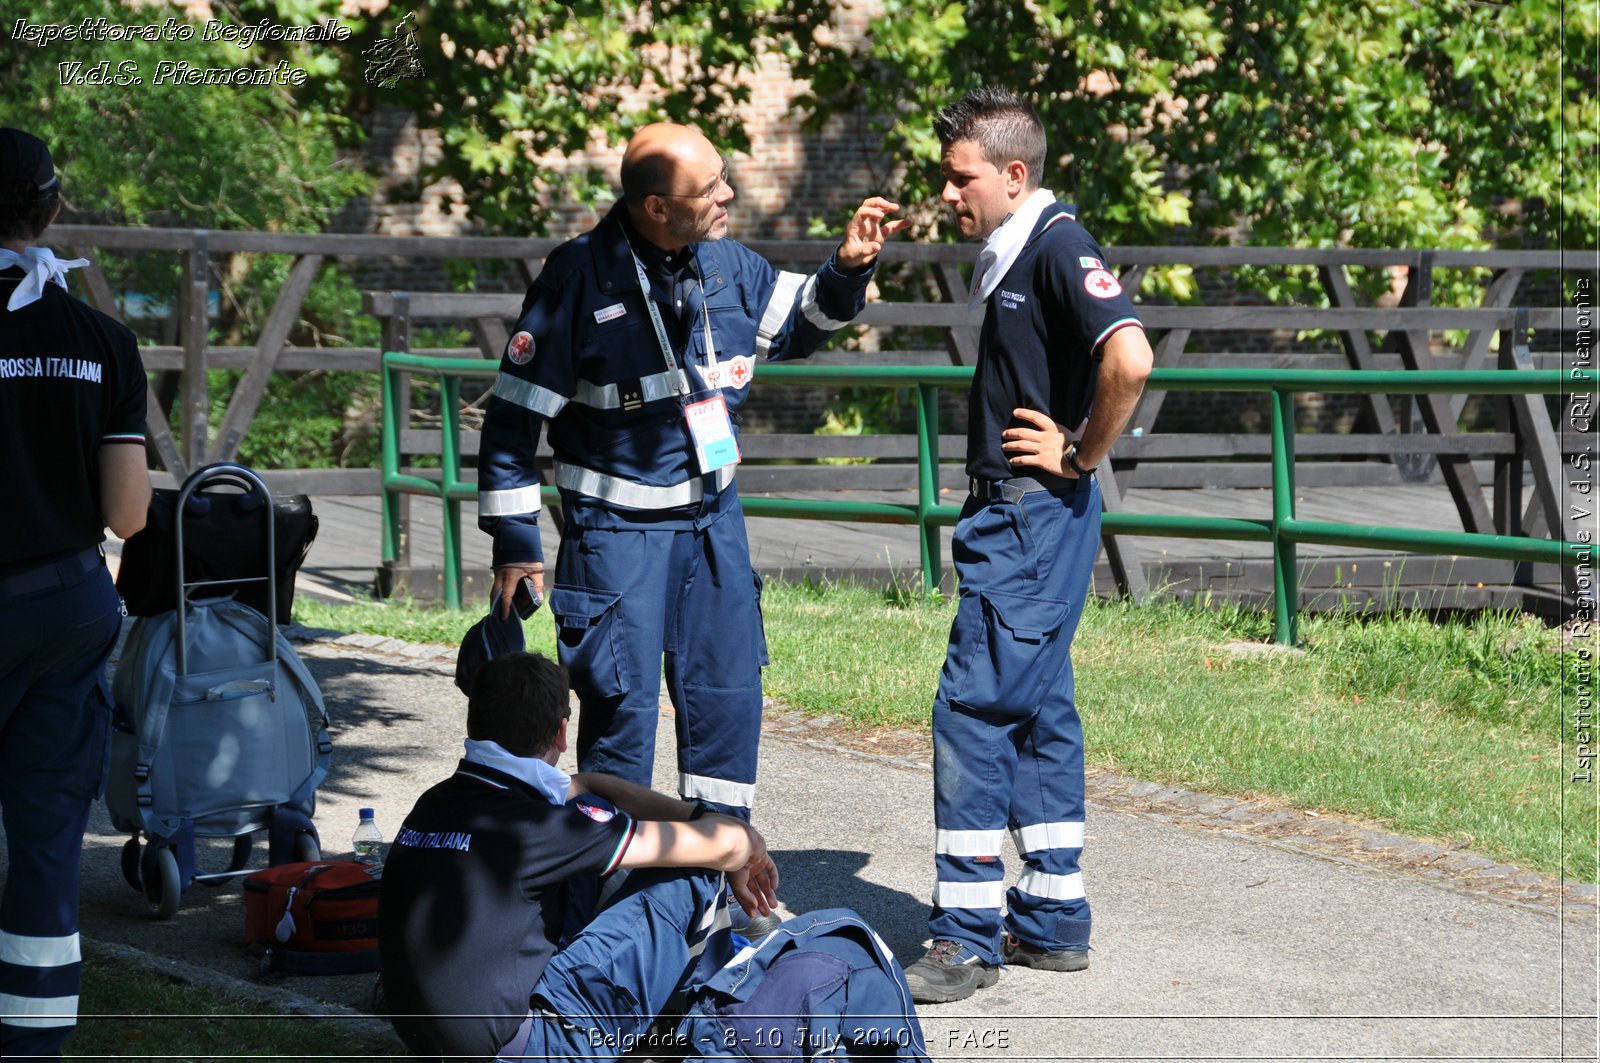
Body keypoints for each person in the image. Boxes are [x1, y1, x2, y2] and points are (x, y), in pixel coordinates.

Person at [477, 123, 907, 822]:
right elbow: (512, 420)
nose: (728, 194)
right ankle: (616, 886)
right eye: (710, 189)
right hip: (616, 537)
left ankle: (720, 875)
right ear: (657, 208)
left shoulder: (727, 263)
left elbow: (802, 321)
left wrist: (849, 266)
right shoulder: (577, 279)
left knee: (727, 696)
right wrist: (516, 540)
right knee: (622, 712)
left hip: (714, 528)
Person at [899, 88, 1154, 1004]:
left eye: (960, 177)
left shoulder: (1054, 244)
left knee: (972, 709)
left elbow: (1131, 357)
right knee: (1041, 711)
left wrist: (1081, 453)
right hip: (1022, 516)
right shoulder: (1020, 249)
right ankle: (1051, 920)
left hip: (1030, 515)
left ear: (1015, 174)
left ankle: (964, 936)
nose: (947, 194)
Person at [379, 650, 781, 1061]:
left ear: (474, 721)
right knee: (691, 870)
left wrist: (703, 822)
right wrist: (743, 843)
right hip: (534, 1049)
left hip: (435, 1041)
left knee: (595, 868)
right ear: (561, 732)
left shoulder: (436, 801)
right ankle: (711, 1025)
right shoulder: (540, 828)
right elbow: (726, 845)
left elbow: (582, 785)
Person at [0, 128, 151, 1055]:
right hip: (63, 606)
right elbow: (129, 516)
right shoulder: (102, 339)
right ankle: (35, 1044)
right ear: (53, 209)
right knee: (50, 849)